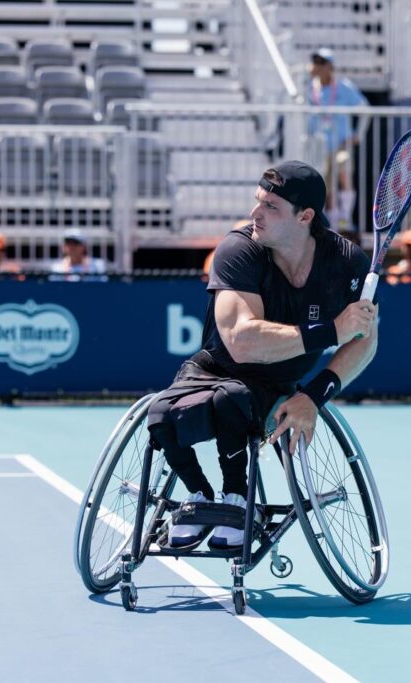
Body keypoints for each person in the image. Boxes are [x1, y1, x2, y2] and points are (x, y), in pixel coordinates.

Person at [147, 161, 378, 549]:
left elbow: (365, 341)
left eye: (271, 206)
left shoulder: (347, 263)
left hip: (275, 385)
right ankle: (200, 496)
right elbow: (241, 339)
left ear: (305, 216)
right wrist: (332, 331)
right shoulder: (239, 248)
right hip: (213, 368)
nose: (256, 212)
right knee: (159, 414)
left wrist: (313, 397)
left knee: (233, 403)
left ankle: (239, 501)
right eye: (258, 201)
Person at [306, 47, 369, 231]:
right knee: (327, 184)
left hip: (342, 143)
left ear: (330, 66)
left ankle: (345, 218)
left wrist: (359, 134)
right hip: (321, 145)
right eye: (315, 62)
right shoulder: (310, 88)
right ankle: (334, 222)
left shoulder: (343, 86)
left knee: (344, 176)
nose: (317, 66)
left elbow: (365, 109)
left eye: (321, 63)